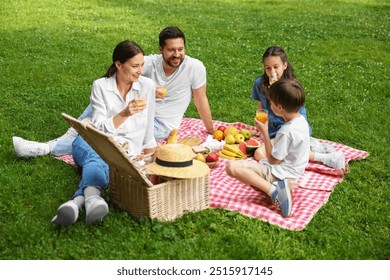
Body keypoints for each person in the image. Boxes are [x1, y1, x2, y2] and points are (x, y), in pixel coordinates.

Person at [12, 26, 214, 158]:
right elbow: (114, 82)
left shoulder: (194, 68)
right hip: (133, 110)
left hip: (160, 123)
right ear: (161, 49)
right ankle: (74, 130)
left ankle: (46, 148)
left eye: (180, 49)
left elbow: (200, 99)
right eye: (171, 50)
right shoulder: (148, 63)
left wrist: (211, 130)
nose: (177, 54)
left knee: (109, 136)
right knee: (104, 102)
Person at [51, 40, 157, 225]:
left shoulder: (147, 86)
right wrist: (124, 113)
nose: (140, 70)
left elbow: (148, 125)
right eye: (135, 66)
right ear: (118, 64)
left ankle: (77, 202)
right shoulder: (100, 86)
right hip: (90, 142)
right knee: (100, 155)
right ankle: (92, 199)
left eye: (142, 65)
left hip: (125, 150)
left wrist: (150, 155)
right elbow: (97, 128)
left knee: (107, 161)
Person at [226, 79, 310, 217]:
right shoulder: (301, 121)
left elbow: (273, 160)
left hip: (282, 176)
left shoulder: (287, 131)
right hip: (293, 173)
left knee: (231, 167)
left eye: (271, 102)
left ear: (279, 107)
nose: (269, 105)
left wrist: (264, 131)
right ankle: (276, 191)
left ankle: (276, 192)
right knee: (258, 162)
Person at [252, 45, 345, 171]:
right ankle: (313, 151)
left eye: (276, 67)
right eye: (268, 68)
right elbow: (261, 107)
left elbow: (294, 114)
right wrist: (261, 124)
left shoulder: (290, 87)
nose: (272, 72)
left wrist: (275, 87)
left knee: (261, 153)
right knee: (277, 153)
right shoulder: (260, 84)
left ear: (284, 65)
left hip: (291, 127)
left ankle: (323, 157)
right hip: (273, 129)